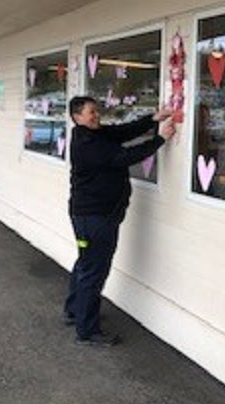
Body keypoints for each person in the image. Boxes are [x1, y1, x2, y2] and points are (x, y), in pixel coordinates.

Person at [63, 96, 175, 346]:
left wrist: (152, 119)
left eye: (96, 111)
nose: (97, 115)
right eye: (91, 112)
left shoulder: (96, 134)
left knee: (86, 264)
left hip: (92, 216)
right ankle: (87, 331)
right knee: (94, 270)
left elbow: (123, 131)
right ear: (77, 117)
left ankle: (75, 311)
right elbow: (124, 157)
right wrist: (160, 139)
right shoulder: (87, 144)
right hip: (94, 218)